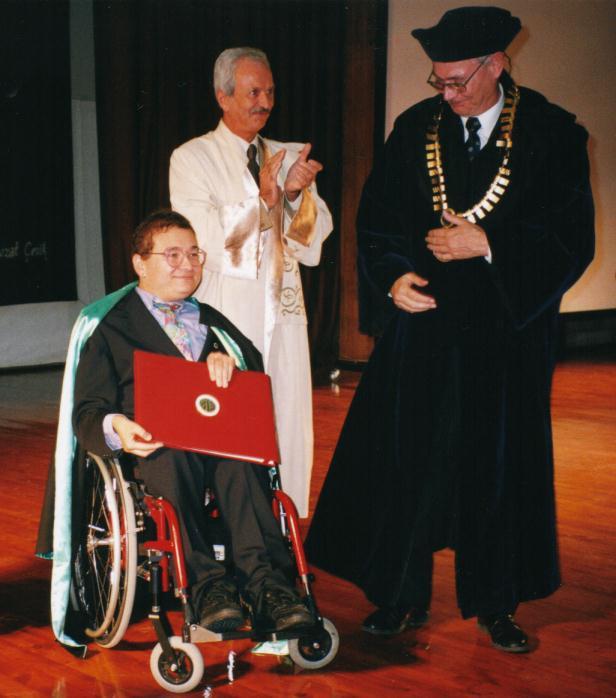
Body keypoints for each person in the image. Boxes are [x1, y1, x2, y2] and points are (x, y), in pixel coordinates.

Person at [305, 6, 594, 653]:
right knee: (411, 462)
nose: (448, 93)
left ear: (497, 65)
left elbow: (574, 238)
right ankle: (399, 597)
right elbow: (378, 219)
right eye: (439, 81)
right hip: (424, 327)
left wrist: (486, 243)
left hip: (506, 335)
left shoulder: (551, 133)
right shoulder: (416, 130)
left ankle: (497, 604)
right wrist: (392, 279)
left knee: (497, 469)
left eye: (460, 80)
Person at [72, 210, 314, 636]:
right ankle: (206, 588)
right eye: (172, 254)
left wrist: (230, 365)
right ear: (140, 263)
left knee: (241, 461)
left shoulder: (212, 322)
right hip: (155, 449)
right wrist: (120, 428)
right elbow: (88, 411)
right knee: (172, 455)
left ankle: (267, 586)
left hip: (216, 441)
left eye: (194, 253)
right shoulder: (109, 327)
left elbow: (250, 379)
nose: (187, 264)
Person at [169, 47, 333, 518]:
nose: (264, 102)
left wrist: (296, 195)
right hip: (227, 307)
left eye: (270, 92)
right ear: (222, 97)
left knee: (285, 415)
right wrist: (262, 202)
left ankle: (281, 522)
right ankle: (228, 524)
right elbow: (200, 239)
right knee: (227, 418)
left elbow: (310, 243)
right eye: (253, 92)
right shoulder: (193, 157)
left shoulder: (286, 156)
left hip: (281, 311)